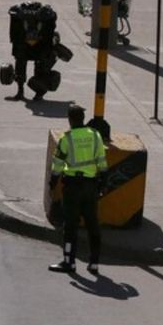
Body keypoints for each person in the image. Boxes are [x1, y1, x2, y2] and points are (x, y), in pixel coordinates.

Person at [48, 103, 109, 275]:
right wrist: (103, 182)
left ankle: (69, 262)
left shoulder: (66, 139)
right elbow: (102, 161)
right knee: (92, 224)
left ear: (70, 120)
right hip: (91, 187)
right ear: (82, 118)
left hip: (72, 188)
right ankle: (94, 263)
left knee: (71, 225)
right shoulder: (95, 135)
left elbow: (58, 165)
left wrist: (52, 185)